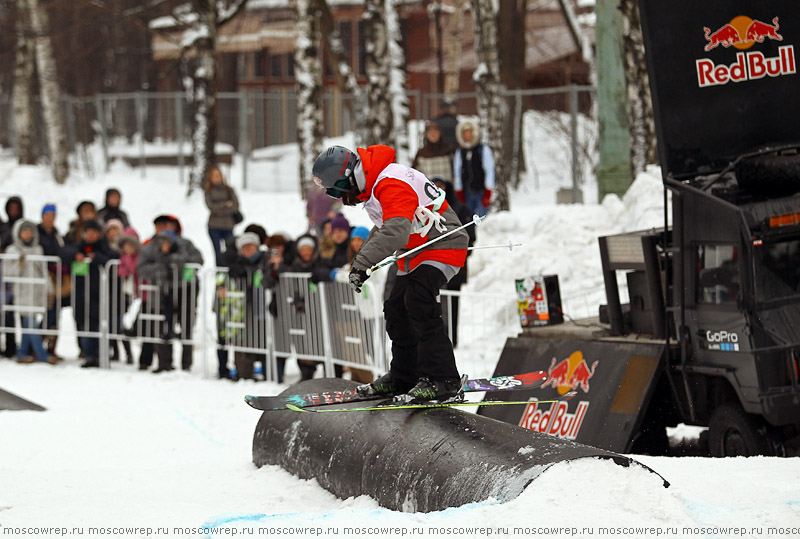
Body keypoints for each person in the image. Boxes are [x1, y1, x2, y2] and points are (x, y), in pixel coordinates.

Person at [311, 144, 469, 403]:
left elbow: (396, 230)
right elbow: (386, 227)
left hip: (442, 243)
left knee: (419, 300)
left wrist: (362, 263)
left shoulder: (390, 183)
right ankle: (404, 376)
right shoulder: (377, 183)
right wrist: (365, 262)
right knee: (396, 308)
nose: (341, 198)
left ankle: (444, 379)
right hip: (417, 249)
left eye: (338, 191)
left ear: (349, 177)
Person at [138, 219, 203, 372]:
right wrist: (160, 268)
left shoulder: (185, 244)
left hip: (185, 291)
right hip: (162, 292)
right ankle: (164, 363)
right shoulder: (150, 247)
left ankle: (186, 365)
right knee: (162, 326)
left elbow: (198, 260)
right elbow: (141, 267)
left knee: (186, 326)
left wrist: (173, 262)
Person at [61, 219, 118, 368]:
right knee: (83, 323)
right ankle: (88, 354)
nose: (91, 235)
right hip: (81, 294)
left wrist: (96, 259)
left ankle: (102, 354)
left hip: (101, 295)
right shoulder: (78, 247)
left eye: (94, 232)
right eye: (88, 232)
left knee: (101, 324)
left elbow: (114, 259)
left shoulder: (104, 248)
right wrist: (76, 255)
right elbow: (63, 252)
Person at [217, 232, 271, 381]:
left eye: (251, 247)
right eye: (245, 247)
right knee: (243, 339)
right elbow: (221, 276)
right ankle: (244, 374)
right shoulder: (235, 263)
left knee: (264, 338)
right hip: (241, 309)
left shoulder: (266, 260)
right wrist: (220, 286)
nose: (248, 250)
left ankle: (270, 374)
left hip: (263, 307)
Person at [432, 175, 475, 348]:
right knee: (436, 304)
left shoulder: (460, 209)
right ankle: (440, 338)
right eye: (434, 186)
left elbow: (470, 236)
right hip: (433, 265)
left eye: (441, 185)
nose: (438, 189)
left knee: (453, 304)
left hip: (456, 267)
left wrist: (458, 256)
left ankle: (452, 338)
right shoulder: (427, 208)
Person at [5, 220, 56, 364]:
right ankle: (42, 355)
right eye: (24, 231)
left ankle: (22, 353)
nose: (28, 234)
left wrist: (49, 290)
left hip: (37, 290)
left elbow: (44, 271)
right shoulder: (12, 251)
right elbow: (9, 274)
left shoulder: (37, 249)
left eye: (30, 231)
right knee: (31, 322)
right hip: (22, 291)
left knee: (29, 324)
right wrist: (19, 263)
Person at [37, 203, 66, 360]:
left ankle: (51, 347)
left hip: (55, 278)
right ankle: (37, 346)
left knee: (55, 312)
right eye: (47, 215)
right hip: (41, 277)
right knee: (46, 311)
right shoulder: (37, 233)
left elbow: (60, 251)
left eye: (52, 216)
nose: (49, 219)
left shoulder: (57, 234)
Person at [453, 118, 496, 218]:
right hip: (466, 192)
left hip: (481, 191)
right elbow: (457, 171)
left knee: (482, 218)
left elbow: (489, 171)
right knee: (468, 219)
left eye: (470, 132)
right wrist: (459, 190)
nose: (468, 135)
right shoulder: (460, 152)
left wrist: (488, 191)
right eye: (465, 133)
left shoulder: (483, 150)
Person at [204, 166, 240, 265]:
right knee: (218, 252)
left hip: (228, 225)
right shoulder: (209, 191)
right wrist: (225, 204)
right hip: (214, 226)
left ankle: (230, 272)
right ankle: (219, 274)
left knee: (230, 250)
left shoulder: (229, 190)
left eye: (218, 175)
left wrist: (221, 210)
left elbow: (235, 206)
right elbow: (211, 206)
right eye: (214, 176)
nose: (217, 178)